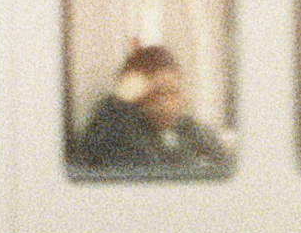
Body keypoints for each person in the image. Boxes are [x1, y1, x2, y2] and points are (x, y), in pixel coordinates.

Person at [75, 45, 229, 172]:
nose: (168, 104)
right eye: (157, 94)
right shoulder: (116, 131)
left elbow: (221, 159)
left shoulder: (185, 127)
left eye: (173, 93)